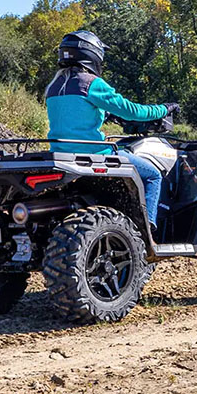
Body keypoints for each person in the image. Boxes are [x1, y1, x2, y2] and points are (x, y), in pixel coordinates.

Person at [45, 30, 179, 240]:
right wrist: (163, 109)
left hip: (61, 154)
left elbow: (74, 113)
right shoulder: (91, 83)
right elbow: (133, 111)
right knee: (153, 174)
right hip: (96, 153)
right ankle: (148, 232)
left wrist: (104, 114)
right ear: (92, 55)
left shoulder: (54, 86)